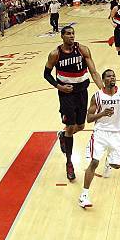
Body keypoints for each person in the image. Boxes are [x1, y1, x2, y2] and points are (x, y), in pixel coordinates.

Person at [43, 26, 103, 180]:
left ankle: (63, 136)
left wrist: (103, 92)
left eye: (73, 33)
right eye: (68, 34)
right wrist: (59, 86)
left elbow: (94, 72)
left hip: (82, 92)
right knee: (70, 127)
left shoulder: (83, 50)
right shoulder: (55, 54)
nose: (71, 36)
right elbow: (46, 74)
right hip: (66, 95)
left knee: (81, 126)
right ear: (62, 36)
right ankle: (69, 163)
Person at [79, 69, 120, 208]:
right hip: (100, 133)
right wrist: (102, 113)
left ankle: (109, 161)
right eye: (109, 76)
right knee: (94, 162)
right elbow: (89, 118)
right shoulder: (97, 96)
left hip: (117, 133)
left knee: (117, 165)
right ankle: (84, 195)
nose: (112, 77)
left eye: (113, 75)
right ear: (103, 80)